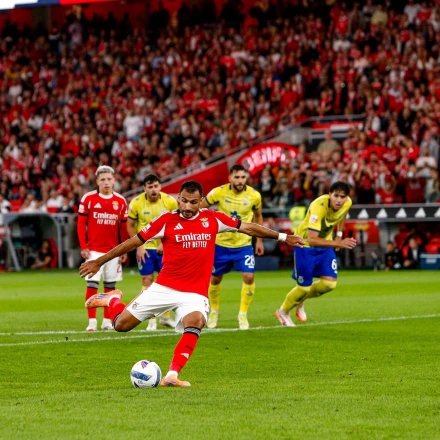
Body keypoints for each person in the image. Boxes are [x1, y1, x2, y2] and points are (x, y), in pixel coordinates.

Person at [80, 180, 304, 387]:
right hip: (164, 287)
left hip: (194, 293)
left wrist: (284, 237)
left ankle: (172, 375)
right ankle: (113, 300)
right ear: (178, 199)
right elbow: (133, 242)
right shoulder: (166, 221)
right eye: (184, 201)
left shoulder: (213, 219)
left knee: (196, 321)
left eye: (193, 202)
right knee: (120, 325)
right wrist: (99, 261)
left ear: (201, 201)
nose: (187, 206)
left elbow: (249, 227)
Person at [275, 181, 357, 327]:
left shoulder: (347, 203)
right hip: (304, 244)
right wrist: (338, 243)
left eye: (342, 197)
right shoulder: (319, 206)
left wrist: (339, 235)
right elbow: (312, 240)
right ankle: (283, 312)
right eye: (336, 196)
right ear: (329, 194)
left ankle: (300, 300)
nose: (339, 200)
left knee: (329, 284)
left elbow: (342, 214)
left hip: (325, 244)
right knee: (304, 288)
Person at [200, 164, 264, 330]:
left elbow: (258, 217)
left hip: (244, 245)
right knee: (215, 278)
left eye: (243, 177)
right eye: (237, 177)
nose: (240, 181)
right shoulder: (218, 192)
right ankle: (214, 311)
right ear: (230, 178)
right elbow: (200, 208)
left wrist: (259, 240)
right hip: (220, 244)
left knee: (249, 277)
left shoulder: (254, 196)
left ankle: (242, 314)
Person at [77, 165, 129, 332]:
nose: (106, 182)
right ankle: (92, 322)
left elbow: (123, 228)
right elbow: (81, 224)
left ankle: (107, 321)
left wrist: (123, 249)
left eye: (109, 179)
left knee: (110, 287)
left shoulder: (120, 201)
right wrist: (84, 246)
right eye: (103, 179)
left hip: (113, 251)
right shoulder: (88, 198)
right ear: (97, 181)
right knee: (92, 285)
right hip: (93, 251)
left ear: (114, 181)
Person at [127, 174, 178, 331]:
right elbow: (130, 226)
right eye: (150, 187)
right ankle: (151, 320)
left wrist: (164, 243)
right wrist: (139, 246)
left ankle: (166, 318)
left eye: (156, 186)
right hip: (146, 247)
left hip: (166, 247)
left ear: (160, 186)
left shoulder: (170, 201)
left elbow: (176, 224)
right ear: (144, 188)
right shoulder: (136, 203)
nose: (153, 190)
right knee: (147, 281)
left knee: (167, 282)